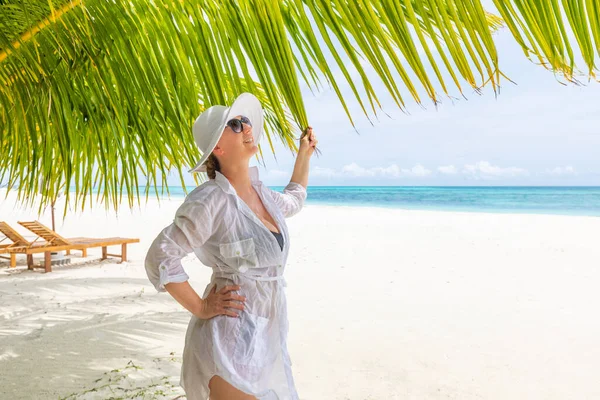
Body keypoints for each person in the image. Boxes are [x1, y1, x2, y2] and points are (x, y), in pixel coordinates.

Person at [145, 92, 318, 400]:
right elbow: (161, 255)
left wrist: (303, 154)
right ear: (218, 148)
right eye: (236, 124)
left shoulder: (263, 196)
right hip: (228, 341)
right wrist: (200, 306)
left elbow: (295, 198)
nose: (247, 127)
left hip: (265, 338)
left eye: (246, 121)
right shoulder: (212, 199)